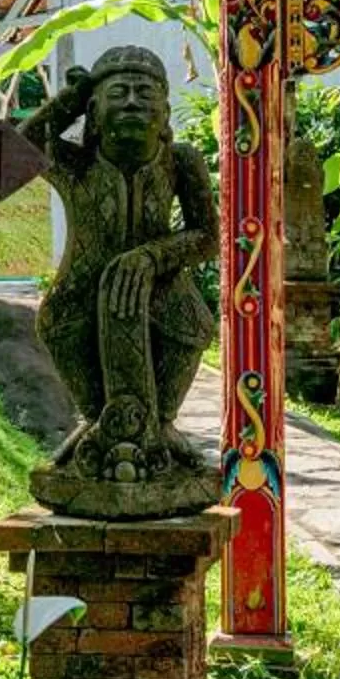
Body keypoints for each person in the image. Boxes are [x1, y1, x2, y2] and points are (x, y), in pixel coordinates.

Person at [20, 45, 221, 515]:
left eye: (145, 93)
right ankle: (95, 418)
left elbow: (209, 235)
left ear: (165, 112)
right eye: (119, 92)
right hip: (83, 288)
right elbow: (23, 147)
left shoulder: (181, 162)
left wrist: (154, 257)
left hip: (162, 285)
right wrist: (72, 97)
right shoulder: (75, 164)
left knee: (194, 329)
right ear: (96, 110)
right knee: (56, 326)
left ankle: (164, 422)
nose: (133, 102)